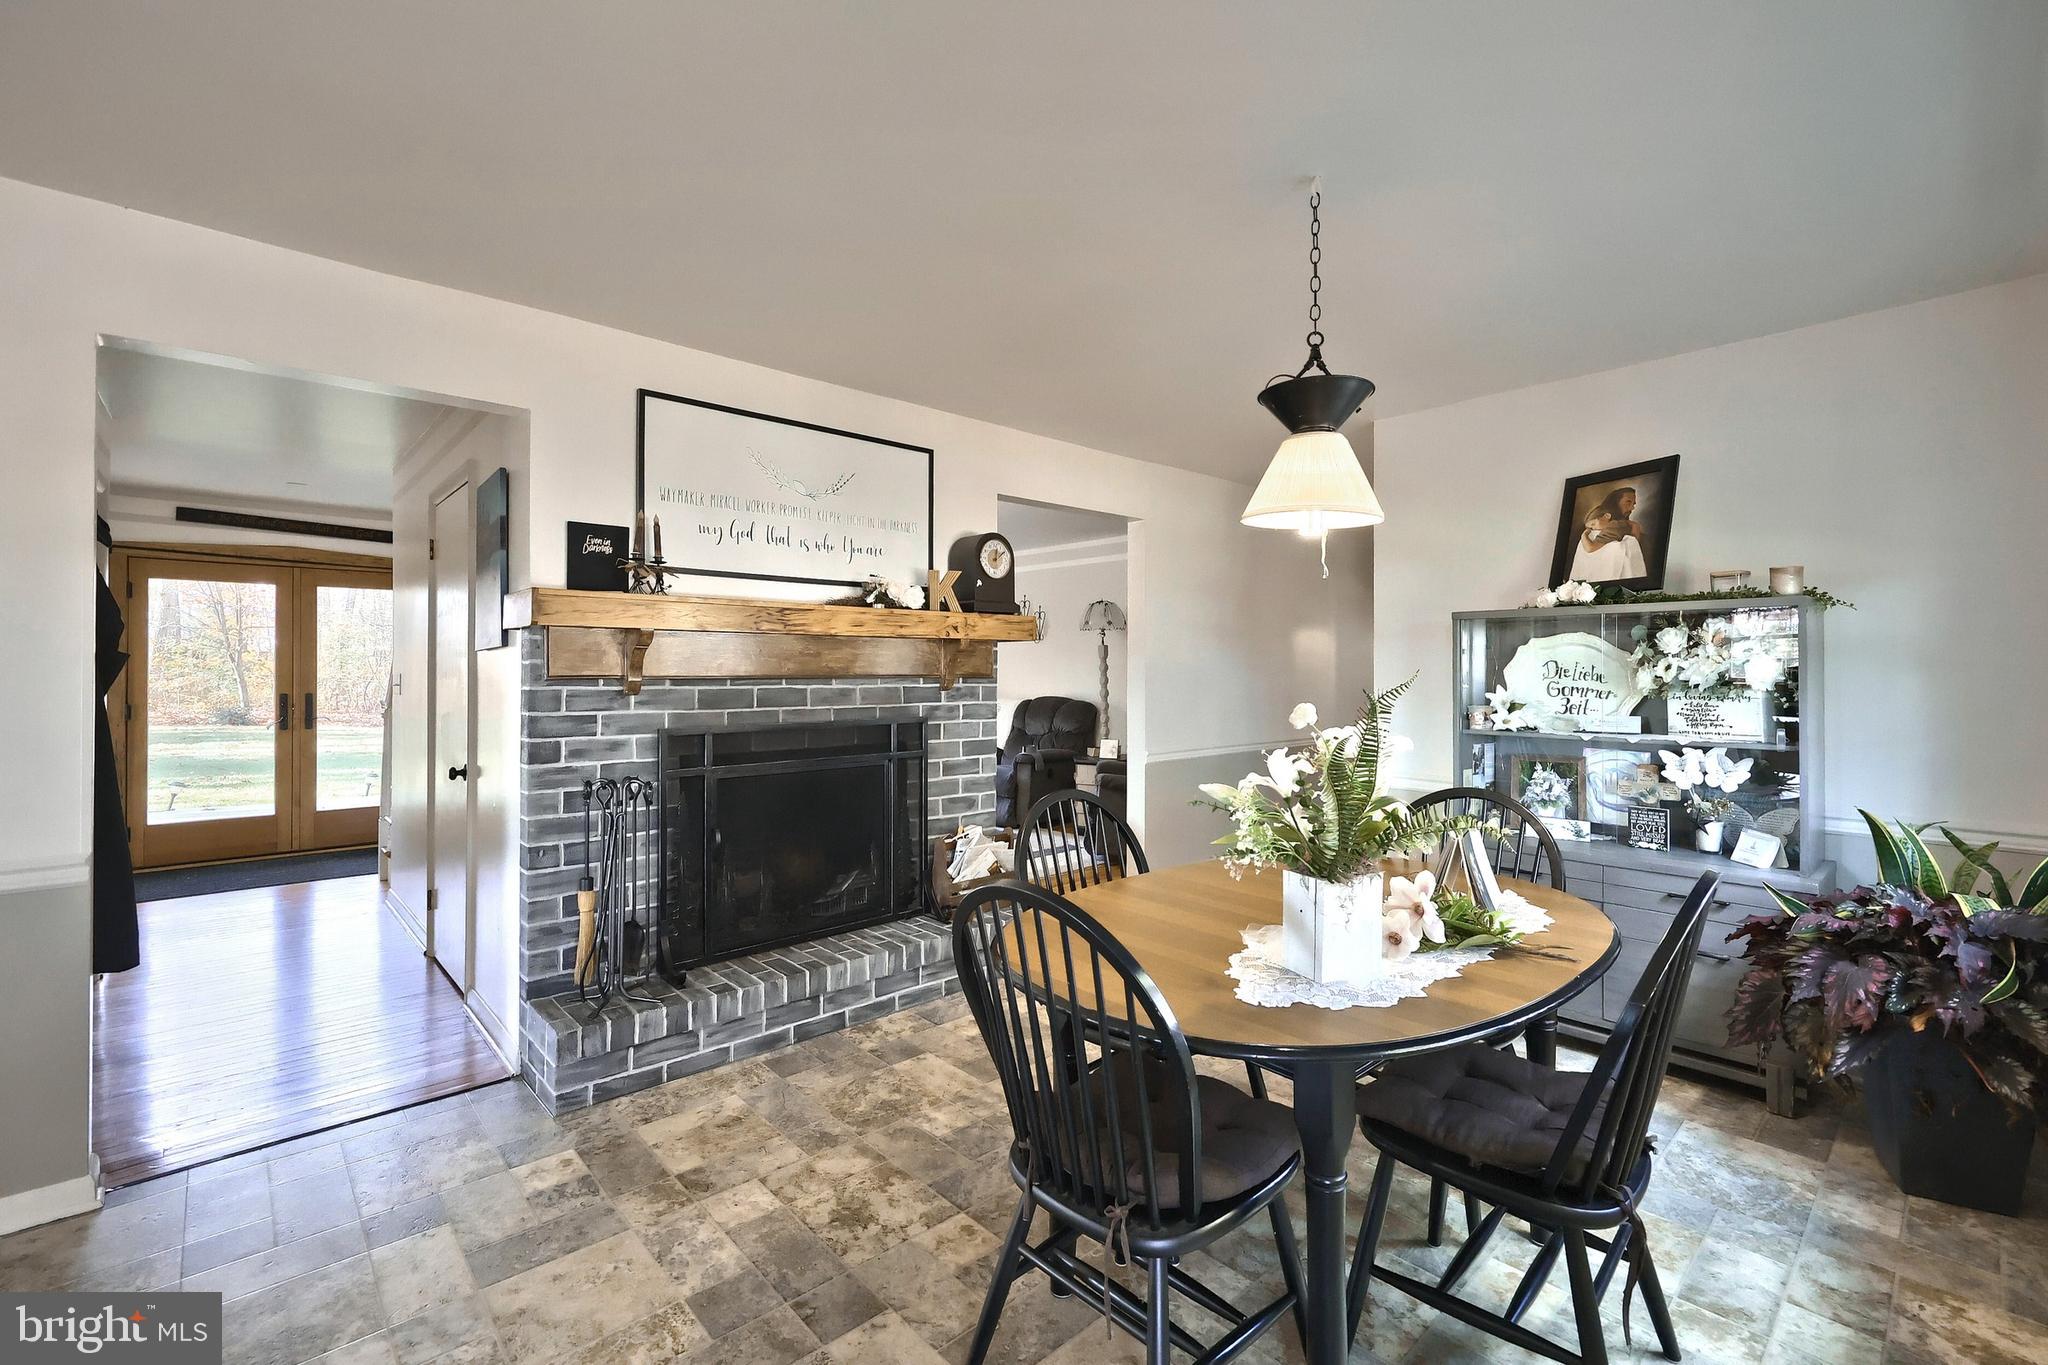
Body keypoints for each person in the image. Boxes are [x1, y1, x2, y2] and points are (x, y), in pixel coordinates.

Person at [1569, 486, 1647, 581]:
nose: (1632, 508)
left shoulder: (1618, 525)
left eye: (1633, 504)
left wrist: (1584, 534)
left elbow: (1590, 547)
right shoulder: (1612, 522)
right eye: (1628, 502)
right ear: (1606, 515)